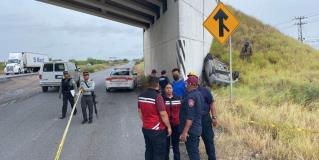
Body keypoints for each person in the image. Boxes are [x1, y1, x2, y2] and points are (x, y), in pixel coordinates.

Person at [138, 76, 172, 160]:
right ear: (157, 84)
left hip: (146, 128)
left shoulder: (141, 96)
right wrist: (168, 127)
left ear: (148, 84)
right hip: (158, 131)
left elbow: (140, 111)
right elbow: (163, 114)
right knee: (159, 153)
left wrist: (146, 121)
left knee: (149, 150)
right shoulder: (157, 96)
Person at [179, 74, 204, 160]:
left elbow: (190, 117)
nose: (185, 86)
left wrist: (185, 132)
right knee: (195, 152)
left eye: (186, 84)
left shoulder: (191, 97)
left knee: (193, 154)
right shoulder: (199, 94)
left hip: (191, 131)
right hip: (197, 128)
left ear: (190, 84)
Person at [197, 86, 217, 160]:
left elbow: (211, 103)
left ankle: (212, 158)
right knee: (194, 143)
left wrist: (214, 117)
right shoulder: (187, 90)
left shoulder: (205, 90)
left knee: (209, 140)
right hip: (193, 120)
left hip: (205, 119)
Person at [163, 83, 181, 160]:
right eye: (167, 88)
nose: (169, 89)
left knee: (176, 145)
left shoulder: (178, 98)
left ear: (172, 89)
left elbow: (182, 111)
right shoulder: (162, 99)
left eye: (170, 88)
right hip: (165, 126)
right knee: (166, 146)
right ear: (164, 89)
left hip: (176, 125)